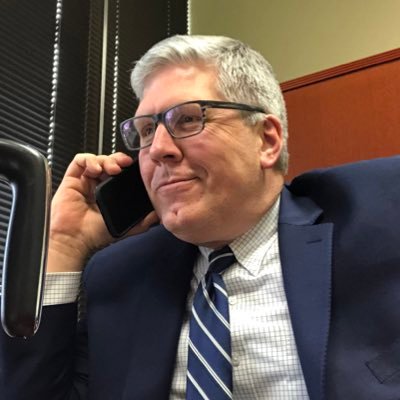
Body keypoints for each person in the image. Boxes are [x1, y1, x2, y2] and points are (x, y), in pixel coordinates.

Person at [1, 35, 400, 400]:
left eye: (188, 119)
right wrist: (63, 242)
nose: (158, 149)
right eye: (146, 131)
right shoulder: (120, 275)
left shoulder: (379, 211)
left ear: (267, 140)